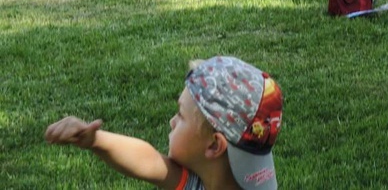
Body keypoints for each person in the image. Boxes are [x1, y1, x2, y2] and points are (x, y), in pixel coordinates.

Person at [45, 56, 283, 190]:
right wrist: (96, 140)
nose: (171, 122)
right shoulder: (200, 183)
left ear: (213, 146)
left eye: (180, 116)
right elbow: (147, 160)